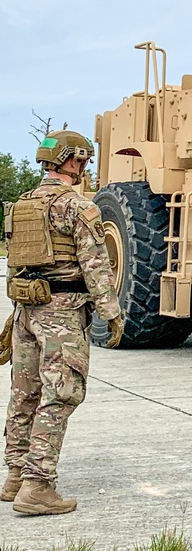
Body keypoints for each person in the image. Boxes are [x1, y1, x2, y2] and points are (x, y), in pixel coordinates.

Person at [1, 131, 124, 515]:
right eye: (84, 160)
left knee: (25, 394)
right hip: (62, 314)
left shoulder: (21, 205)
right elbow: (95, 265)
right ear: (74, 161)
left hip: (25, 310)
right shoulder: (78, 207)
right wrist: (111, 314)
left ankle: (15, 477)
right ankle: (38, 486)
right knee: (62, 394)